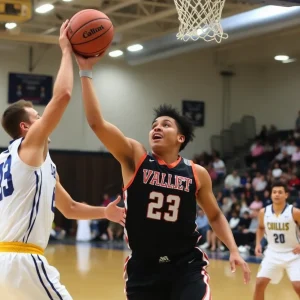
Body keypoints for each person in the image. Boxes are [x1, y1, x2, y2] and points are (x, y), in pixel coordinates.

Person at [75, 54, 251, 300]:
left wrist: (234, 249)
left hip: (186, 266)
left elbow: (214, 215)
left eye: (166, 124)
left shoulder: (196, 173)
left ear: (181, 138)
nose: (156, 127)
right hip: (144, 268)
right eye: (154, 125)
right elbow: (96, 123)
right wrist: (85, 71)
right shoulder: (135, 157)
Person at [0, 21, 125, 300]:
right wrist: (67, 52)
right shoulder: (29, 147)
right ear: (25, 128)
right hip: (23, 261)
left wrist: (104, 213)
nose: (44, 118)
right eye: (37, 116)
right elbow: (64, 95)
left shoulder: (18, 161)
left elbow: (68, 208)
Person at [254, 182, 300, 300]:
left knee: (298, 286)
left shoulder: (294, 212)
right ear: (271, 195)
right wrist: (258, 243)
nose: (277, 195)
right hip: (272, 253)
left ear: (286, 195)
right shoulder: (263, 212)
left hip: (294, 254)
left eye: (280, 192)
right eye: (274, 192)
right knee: (259, 283)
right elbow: (260, 228)